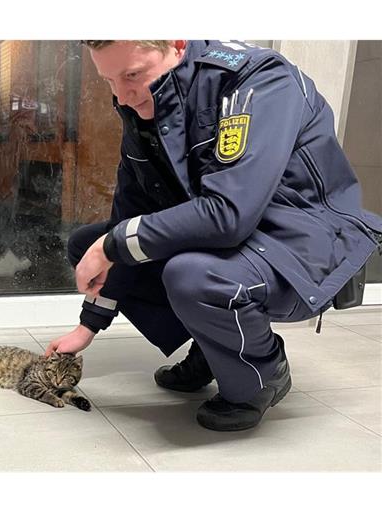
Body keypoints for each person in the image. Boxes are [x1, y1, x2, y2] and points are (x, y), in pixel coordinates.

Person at [43, 40, 382, 431]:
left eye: (133, 74)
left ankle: (261, 375)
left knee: (189, 273)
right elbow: (130, 212)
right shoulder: (144, 103)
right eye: (109, 80)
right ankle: (214, 348)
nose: (121, 95)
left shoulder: (257, 80)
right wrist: (89, 325)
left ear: (176, 43)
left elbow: (228, 215)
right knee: (90, 244)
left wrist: (113, 245)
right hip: (235, 242)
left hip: (301, 244)